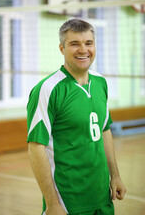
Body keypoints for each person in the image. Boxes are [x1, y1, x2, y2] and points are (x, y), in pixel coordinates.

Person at [27, 19, 126, 215]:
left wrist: (115, 175)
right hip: (67, 201)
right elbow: (36, 146)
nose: (83, 50)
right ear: (61, 48)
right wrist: (52, 204)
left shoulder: (100, 82)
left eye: (88, 43)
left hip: (102, 196)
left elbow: (104, 129)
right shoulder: (47, 89)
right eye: (74, 44)